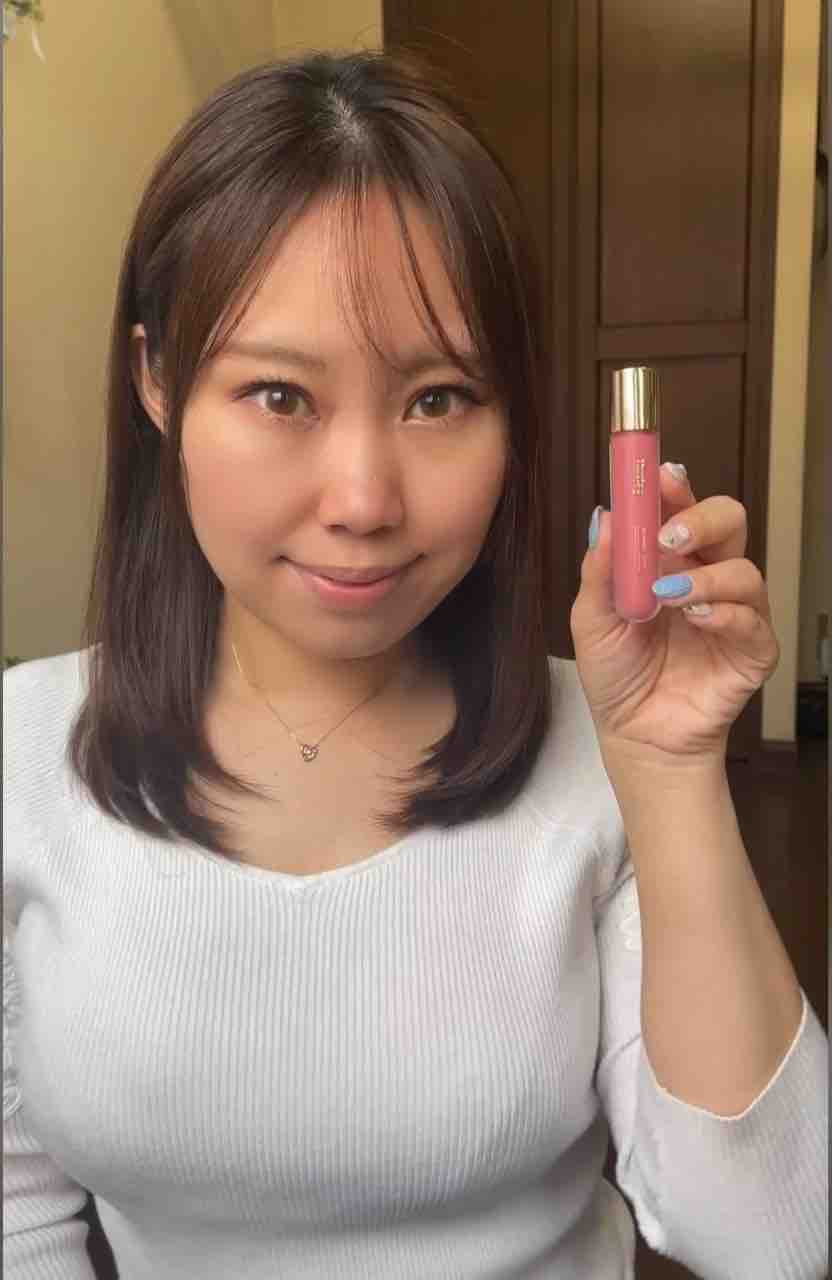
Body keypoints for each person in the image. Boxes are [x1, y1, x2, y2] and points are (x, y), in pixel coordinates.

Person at [3, 48, 827, 1280]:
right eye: (280, 394)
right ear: (157, 381)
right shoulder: (19, 756)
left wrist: (665, 765)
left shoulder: (599, 755)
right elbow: (16, 1208)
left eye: (437, 399)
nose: (364, 499)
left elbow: (773, 1237)